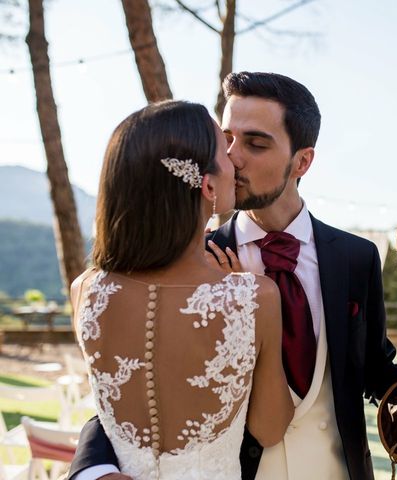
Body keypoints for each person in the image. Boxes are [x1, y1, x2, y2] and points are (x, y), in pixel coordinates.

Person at [68, 73, 397, 480]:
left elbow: (372, 365)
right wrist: (92, 469)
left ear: (302, 161)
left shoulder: (357, 257)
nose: (233, 157)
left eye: (255, 143)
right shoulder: (187, 261)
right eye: (227, 138)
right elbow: (130, 383)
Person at [68, 100, 293, 480]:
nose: (235, 161)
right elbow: (270, 428)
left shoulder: (86, 291)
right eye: (225, 151)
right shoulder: (253, 299)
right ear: (207, 185)